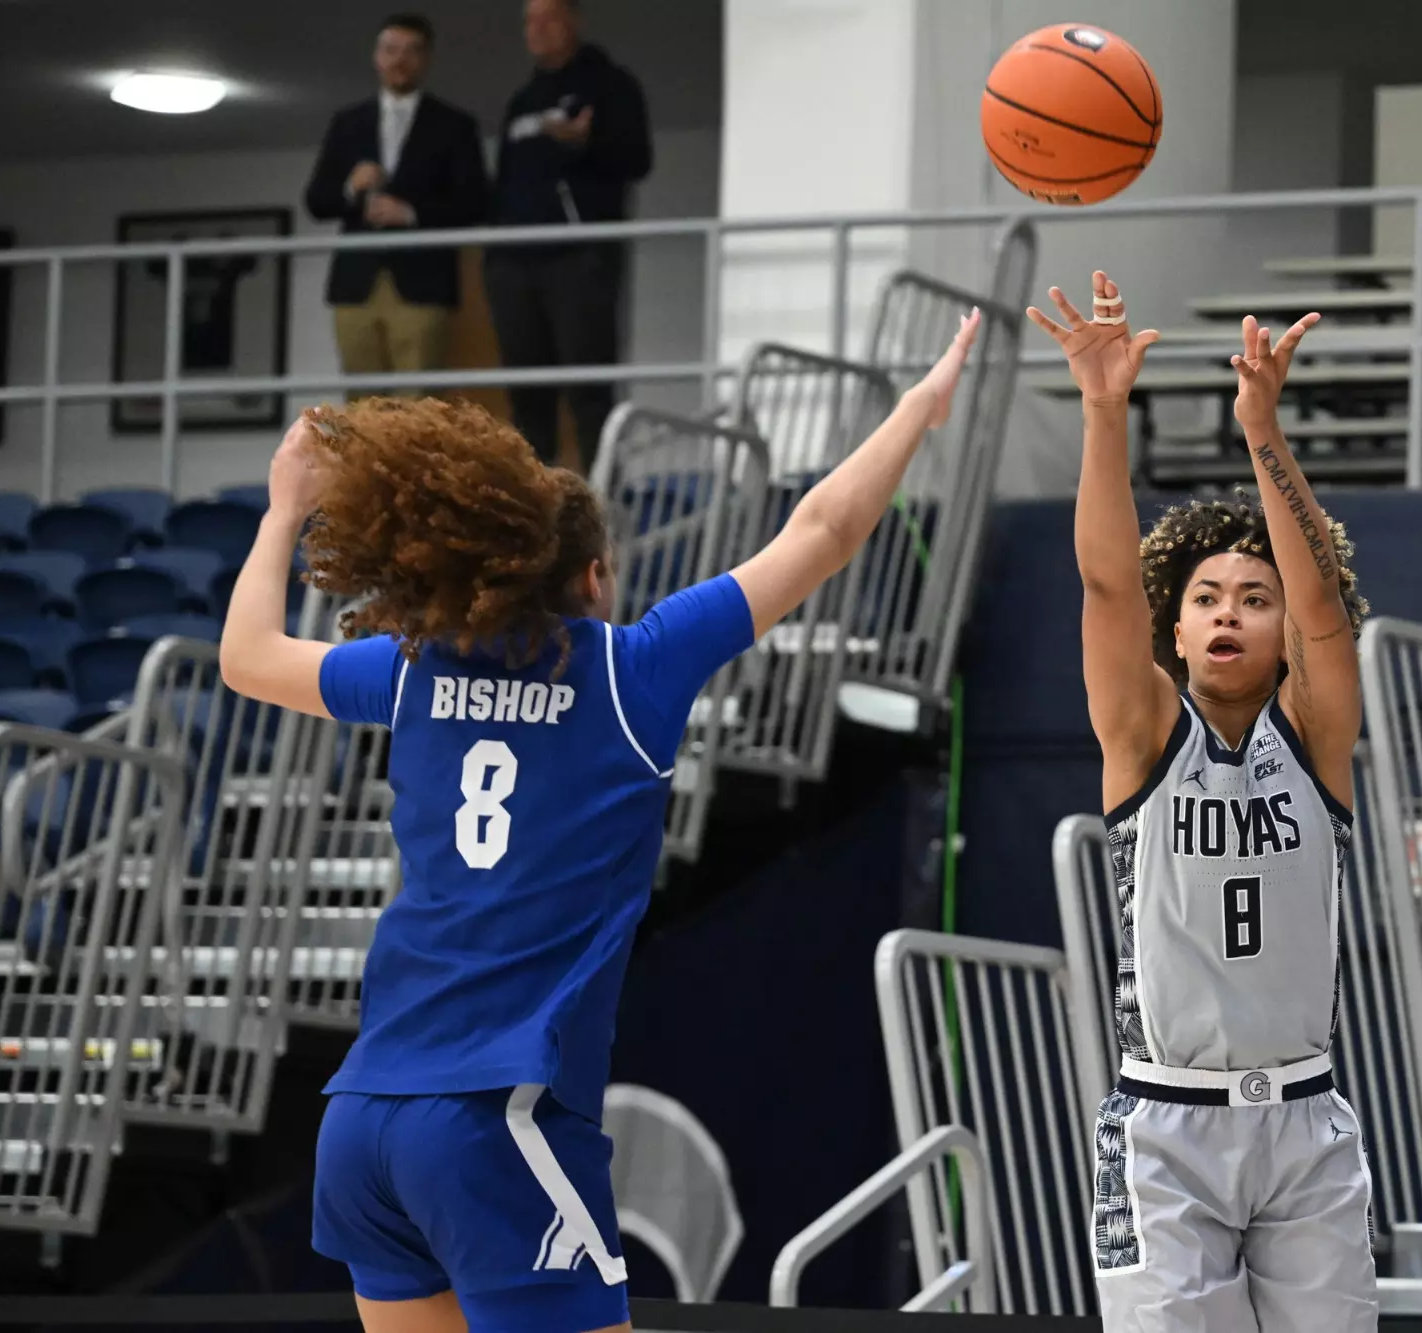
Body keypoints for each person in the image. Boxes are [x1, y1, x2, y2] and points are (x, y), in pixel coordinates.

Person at [218, 309, 981, 1333]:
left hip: (363, 1121)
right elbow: (823, 532)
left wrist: (283, 511)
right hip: (496, 1111)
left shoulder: (412, 671)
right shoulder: (631, 669)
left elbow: (246, 660)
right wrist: (915, 409)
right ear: (591, 576)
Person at [1028, 272, 1376, 1333]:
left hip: (1306, 1121)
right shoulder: (1141, 734)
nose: (1229, 613)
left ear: (1281, 631)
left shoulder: (1315, 735)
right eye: (1205, 598)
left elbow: (1323, 595)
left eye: (1253, 598)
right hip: (1167, 1131)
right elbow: (1102, 585)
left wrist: (1261, 428)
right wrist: (1101, 411)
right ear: (1173, 630)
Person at [486, 0, 652, 474]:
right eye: (529, 21)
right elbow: (504, 183)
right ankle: (533, 513)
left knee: (589, 392)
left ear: (574, 21)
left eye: (548, 18)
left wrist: (585, 143)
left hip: (580, 260)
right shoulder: (522, 100)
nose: (536, 30)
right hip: (515, 263)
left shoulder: (612, 86)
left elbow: (638, 161)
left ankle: (602, 509)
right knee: (527, 397)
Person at [303, 14, 491, 395]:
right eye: (391, 50)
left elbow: (477, 204)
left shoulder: (454, 125)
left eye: (411, 51)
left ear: (427, 59)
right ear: (376, 57)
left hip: (422, 281)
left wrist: (412, 214)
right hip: (356, 283)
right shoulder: (348, 122)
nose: (399, 60)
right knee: (360, 406)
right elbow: (316, 201)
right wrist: (349, 188)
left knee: (418, 405)